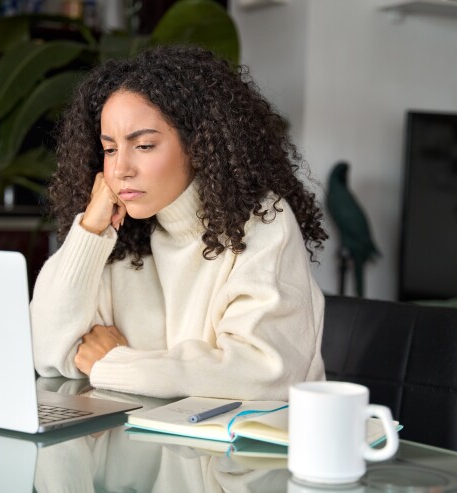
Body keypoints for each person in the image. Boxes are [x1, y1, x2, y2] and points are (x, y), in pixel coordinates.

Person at [30, 45, 327, 400]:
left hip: (247, 450)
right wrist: (90, 232)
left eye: (143, 146)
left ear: (198, 145)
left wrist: (112, 364)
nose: (121, 169)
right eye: (110, 150)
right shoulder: (121, 236)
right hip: (148, 443)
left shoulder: (262, 223)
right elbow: (49, 353)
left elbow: (262, 374)